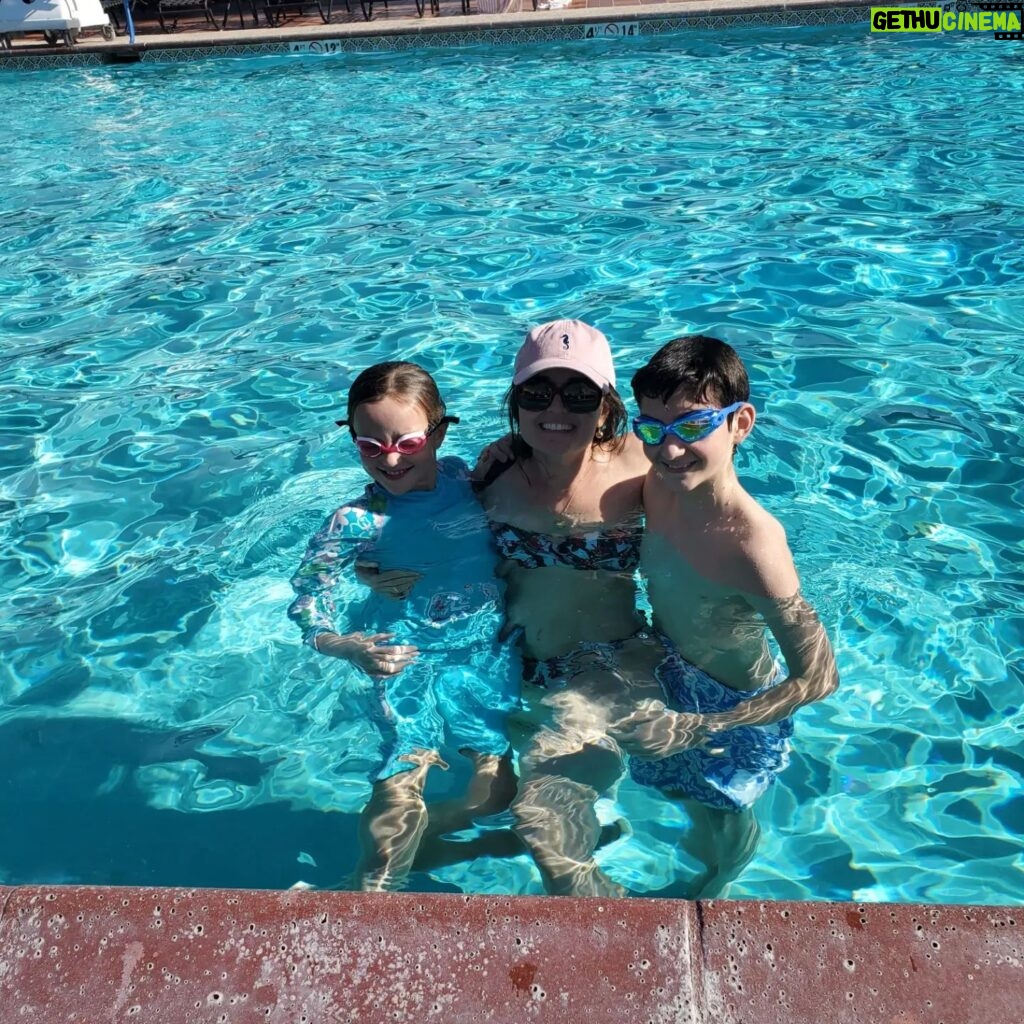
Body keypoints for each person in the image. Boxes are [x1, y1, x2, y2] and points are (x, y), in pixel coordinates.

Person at [615, 334, 840, 898]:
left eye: (692, 428)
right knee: (679, 790)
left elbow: (819, 677)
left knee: (727, 810)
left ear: (740, 423)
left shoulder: (754, 545)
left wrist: (705, 725)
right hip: (671, 674)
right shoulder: (657, 486)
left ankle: (717, 888)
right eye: (652, 429)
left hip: (737, 705)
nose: (669, 451)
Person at [288, 361, 519, 892]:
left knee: (493, 792)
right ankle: (370, 891)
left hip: (482, 647)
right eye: (371, 446)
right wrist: (345, 645)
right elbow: (307, 597)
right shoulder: (355, 521)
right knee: (406, 767)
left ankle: (419, 843)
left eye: (408, 443)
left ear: (439, 432)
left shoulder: (469, 479)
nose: (390, 459)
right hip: (401, 650)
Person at [477, 319, 664, 897]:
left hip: (604, 671)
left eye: (579, 394)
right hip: (515, 672)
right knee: (497, 808)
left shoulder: (644, 468)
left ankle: (624, 947)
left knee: (540, 821)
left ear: (606, 405)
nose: (556, 409)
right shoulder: (497, 468)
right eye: (537, 392)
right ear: (515, 400)